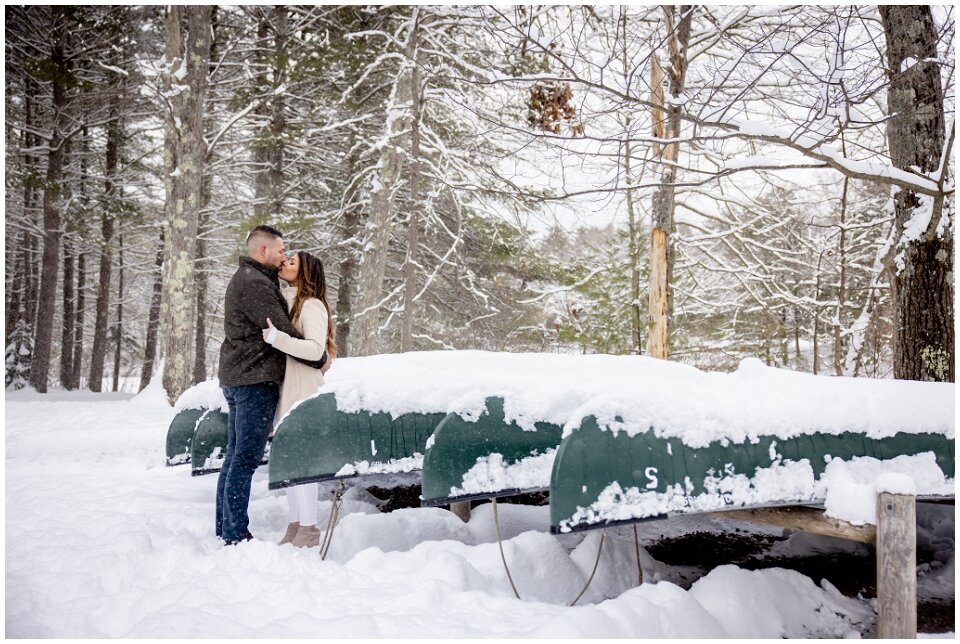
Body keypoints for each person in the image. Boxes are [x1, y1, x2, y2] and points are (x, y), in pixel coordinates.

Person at [216, 225, 327, 546]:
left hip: (248, 378)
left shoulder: (254, 281)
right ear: (264, 251)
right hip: (253, 380)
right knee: (244, 458)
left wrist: (318, 353)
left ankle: (228, 528)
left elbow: (305, 334)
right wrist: (319, 358)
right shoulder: (255, 284)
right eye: (281, 252)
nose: (282, 259)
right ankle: (234, 532)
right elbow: (282, 331)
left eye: (289, 258)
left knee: (237, 456)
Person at [262, 250, 337, 548]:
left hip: (304, 391)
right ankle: (296, 526)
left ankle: (309, 529)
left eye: (291, 262)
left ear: (304, 273)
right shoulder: (291, 302)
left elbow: (316, 350)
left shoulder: (312, 305)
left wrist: (277, 338)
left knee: (303, 462)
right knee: (293, 462)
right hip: (289, 390)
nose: (284, 263)